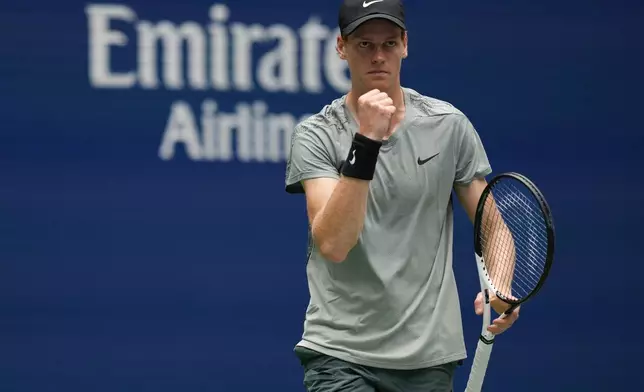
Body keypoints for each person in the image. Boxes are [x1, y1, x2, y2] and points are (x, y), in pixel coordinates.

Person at [284, 0, 520, 391]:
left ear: (405, 44)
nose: (379, 56)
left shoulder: (448, 126)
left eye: (389, 44)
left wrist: (501, 285)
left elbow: (492, 225)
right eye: (364, 45)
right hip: (340, 356)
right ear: (341, 47)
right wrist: (366, 140)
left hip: (428, 358)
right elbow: (334, 243)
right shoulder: (316, 135)